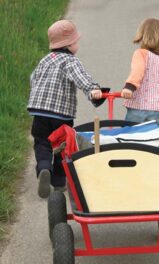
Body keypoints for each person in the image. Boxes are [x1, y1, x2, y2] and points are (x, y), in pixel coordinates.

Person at [27, 20, 102, 198]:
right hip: (61, 113)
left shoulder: (45, 60)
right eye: (76, 42)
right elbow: (81, 79)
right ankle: (59, 182)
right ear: (68, 45)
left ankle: (44, 168)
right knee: (62, 145)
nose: (77, 45)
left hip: (39, 111)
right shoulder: (71, 61)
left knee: (42, 142)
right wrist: (94, 91)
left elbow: (33, 79)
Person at [121, 18, 159, 125]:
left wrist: (129, 87)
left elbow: (137, 71)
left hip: (138, 107)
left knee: (131, 136)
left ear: (142, 35)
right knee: (152, 138)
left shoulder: (141, 54)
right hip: (158, 110)